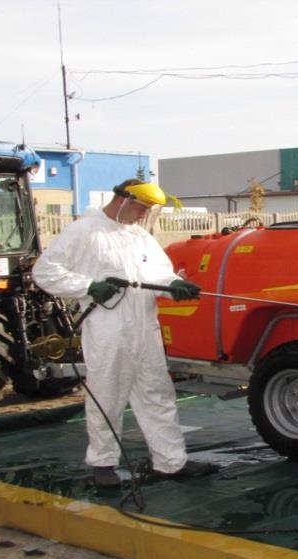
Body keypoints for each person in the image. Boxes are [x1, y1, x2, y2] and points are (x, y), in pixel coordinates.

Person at [32, 178, 218, 487]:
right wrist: (88, 287)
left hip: (145, 327)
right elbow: (45, 271)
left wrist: (174, 286)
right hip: (108, 328)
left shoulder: (139, 237)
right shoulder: (84, 231)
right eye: (142, 209)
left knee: (157, 394)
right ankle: (103, 463)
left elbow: (158, 273)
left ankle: (170, 462)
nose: (144, 216)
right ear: (124, 200)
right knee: (108, 395)